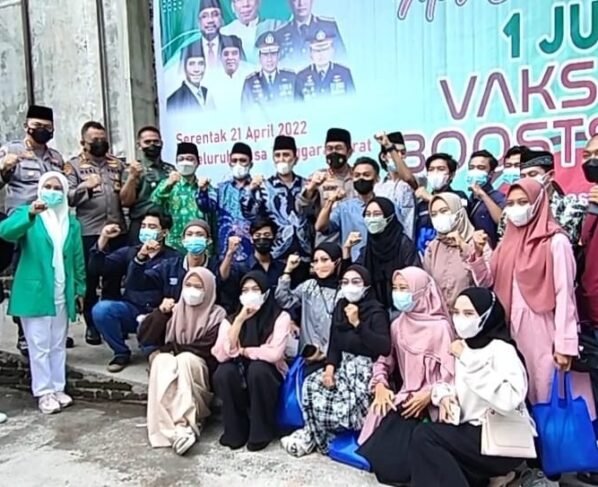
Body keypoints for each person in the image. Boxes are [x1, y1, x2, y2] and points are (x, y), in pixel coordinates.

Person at [469, 178, 596, 477]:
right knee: (519, 397)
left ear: (539, 204)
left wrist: (564, 345)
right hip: (511, 332)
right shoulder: (508, 241)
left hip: (543, 332)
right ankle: (530, 467)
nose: (515, 209)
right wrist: (476, 254)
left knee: (547, 398)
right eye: (511, 203)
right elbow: (488, 281)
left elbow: (565, 295)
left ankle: (556, 468)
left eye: (522, 202)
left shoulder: (556, 241)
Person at [409, 287, 531, 487]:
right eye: (456, 312)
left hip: (501, 438)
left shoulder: (502, 350)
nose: (460, 319)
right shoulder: (463, 346)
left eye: (468, 313)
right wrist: (444, 396)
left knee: (425, 436)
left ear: (486, 316)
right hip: (471, 432)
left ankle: (495, 474)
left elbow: (509, 399)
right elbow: (452, 384)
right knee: (431, 459)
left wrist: (468, 360)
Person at [357, 267, 455, 486]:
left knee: (405, 463)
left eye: (405, 288)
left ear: (421, 291)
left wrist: (429, 395)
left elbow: (451, 375)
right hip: (406, 397)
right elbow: (383, 361)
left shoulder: (440, 329)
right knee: (382, 461)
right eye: (396, 288)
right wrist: (380, 385)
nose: (398, 294)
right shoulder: (398, 325)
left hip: (434, 402)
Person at [281, 265, 391, 456]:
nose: (350, 287)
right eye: (345, 282)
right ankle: (316, 437)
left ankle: (313, 437)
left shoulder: (376, 312)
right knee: (311, 384)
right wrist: (329, 370)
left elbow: (383, 347)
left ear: (366, 285)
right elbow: (335, 342)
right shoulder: (341, 306)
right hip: (343, 366)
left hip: (365, 370)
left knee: (344, 410)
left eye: (356, 282)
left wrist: (358, 323)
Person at [0, 172, 85, 414]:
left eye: (57, 188)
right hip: (35, 292)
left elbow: (77, 258)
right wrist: (29, 214)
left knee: (58, 344)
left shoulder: (72, 223)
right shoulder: (29, 215)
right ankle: (44, 392)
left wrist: (80, 288)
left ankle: (58, 388)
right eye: (47, 186)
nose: (52, 191)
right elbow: (5, 232)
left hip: (61, 291)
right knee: (39, 346)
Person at [140, 267, 226, 456]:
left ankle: (186, 425)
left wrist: (172, 348)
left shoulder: (217, 315)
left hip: (200, 370)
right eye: (188, 285)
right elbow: (145, 337)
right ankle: (175, 431)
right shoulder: (174, 310)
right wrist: (160, 313)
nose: (192, 290)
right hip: (174, 361)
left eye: (198, 287)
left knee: (185, 360)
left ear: (209, 289)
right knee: (161, 361)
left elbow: (206, 348)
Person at [0, 105, 65, 355]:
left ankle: (49, 327)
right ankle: (23, 333)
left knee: (50, 274)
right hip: (22, 222)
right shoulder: (11, 150)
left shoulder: (56, 158)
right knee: (24, 278)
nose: (42, 130)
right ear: (26, 126)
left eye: (47, 127)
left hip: (49, 224)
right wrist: (4, 169)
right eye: (37, 126)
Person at [89, 212, 180, 373]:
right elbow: (98, 268)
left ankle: (158, 351)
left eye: (152, 227)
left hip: (160, 315)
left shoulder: (174, 258)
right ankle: (121, 352)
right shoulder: (130, 252)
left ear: (164, 232)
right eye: (143, 226)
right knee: (102, 310)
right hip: (133, 309)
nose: (146, 230)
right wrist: (104, 238)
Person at [212, 271, 291, 451]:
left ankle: (261, 432)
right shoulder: (230, 320)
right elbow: (222, 355)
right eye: (245, 290)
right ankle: (235, 432)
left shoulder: (280, 317)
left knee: (258, 369)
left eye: (255, 289)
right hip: (239, 371)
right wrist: (239, 321)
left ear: (265, 292)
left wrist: (245, 351)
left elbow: (274, 354)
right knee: (224, 373)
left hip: (268, 374)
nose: (250, 294)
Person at [67, 120, 127, 345]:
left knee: (114, 278)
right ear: (83, 142)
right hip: (89, 231)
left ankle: (111, 322)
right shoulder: (73, 166)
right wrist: (85, 186)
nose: (100, 142)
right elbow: (67, 197)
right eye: (95, 140)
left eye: (103, 139)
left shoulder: (117, 164)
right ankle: (91, 324)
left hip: (117, 229)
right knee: (90, 280)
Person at [241, 135, 311, 275]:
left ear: (295, 159)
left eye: (286, 155)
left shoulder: (306, 186)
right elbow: (250, 214)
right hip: (277, 256)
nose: (282, 159)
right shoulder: (265, 187)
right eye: (277, 155)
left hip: (305, 254)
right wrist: (250, 190)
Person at [125, 219, 228, 309]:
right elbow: (136, 283)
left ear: (208, 241)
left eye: (199, 235)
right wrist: (141, 257)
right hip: (173, 318)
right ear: (183, 241)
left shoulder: (215, 267)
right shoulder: (169, 267)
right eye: (189, 234)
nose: (194, 238)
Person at [497, 148, 587, 245]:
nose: (527, 180)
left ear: (550, 175)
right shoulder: (511, 211)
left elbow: (568, 244)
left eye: (532, 174)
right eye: (523, 176)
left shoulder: (571, 208)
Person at [346, 196, 420, 311]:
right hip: (374, 309)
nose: (371, 219)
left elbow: (415, 276)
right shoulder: (368, 247)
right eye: (368, 214)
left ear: (389, 216)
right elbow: (355, 274)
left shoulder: (403, 244)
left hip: (401, 308)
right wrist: (347, 249)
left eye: (377, 214)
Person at [275, 244, 342, 366]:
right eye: (316, 261)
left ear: (336, 261)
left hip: (335, 358)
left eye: (325, 260)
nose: (320, 265)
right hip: (308, 356)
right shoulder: (309, 286)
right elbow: (284, 300)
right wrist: (287, 271)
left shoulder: (344, 290)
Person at [424, 193, 491, 305]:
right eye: (434, 214)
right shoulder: (433, 247)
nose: (439, 217)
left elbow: (486, 283)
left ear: (458, 213)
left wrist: (465, 248)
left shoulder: (478, 242)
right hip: (442, 313)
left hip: (469, 311)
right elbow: (429, 287)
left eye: (444, 211)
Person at [196, 142, 254, 262]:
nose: (238, 164)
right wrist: (202, 191)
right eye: (234, 160)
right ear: (229, 163)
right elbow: (206, 207)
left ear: (251, 164)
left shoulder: (259, 188)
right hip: (225, 252)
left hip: (252, 251)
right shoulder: (221, 189)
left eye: (243, 160)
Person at [297, 127, 355, 245]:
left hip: (355, 240)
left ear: (349, 152)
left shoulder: (358, 175)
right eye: (329, 149)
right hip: (327, 243)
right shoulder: (317, 178)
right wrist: (311, 189)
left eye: (338, 148)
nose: (333, 152)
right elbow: (301, 210)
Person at [315, 157, 380, 260]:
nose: (361, 179)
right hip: (353, 262)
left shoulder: (385, 205)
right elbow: (320, 227)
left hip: (380, 261)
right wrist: (330, 201)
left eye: (366, 175)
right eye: (357, 175)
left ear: (377, 179)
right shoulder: (344, 207)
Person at [120, 126, 175, 244]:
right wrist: (132, 177)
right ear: (139, 145)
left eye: (156, 141)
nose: (152, 145)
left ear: (161, 143)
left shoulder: (170, 169)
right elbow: (125, 202)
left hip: (166, 224)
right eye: (147, 142)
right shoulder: (133, 169)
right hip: (142, 224)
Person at [151, 142, 208, 252]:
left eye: (190, 159)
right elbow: (155, 202)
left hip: (199, 245)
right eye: (181, 159)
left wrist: (203, 191)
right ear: (176, 163)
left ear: (198, 163)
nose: (185, 163)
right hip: (174, 244)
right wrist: (168, 185)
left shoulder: (204, 186)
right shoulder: (167, 184)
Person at [411, 153, 468, 254]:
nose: (435, 173)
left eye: (441, 169)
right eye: (431, 169)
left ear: (451, 174)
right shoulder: (421, 204)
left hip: (450, 252)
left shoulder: (459, 197)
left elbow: (461, 221)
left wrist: (430, 198)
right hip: (423, 255)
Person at [275, 0, 346, 71]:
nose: (301, 3)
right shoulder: (279, 34)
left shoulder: (329, 28)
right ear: (289, 2)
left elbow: (343, 61)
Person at [374, 131, 416, 240]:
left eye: (403, 152)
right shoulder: (377, 188)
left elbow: (408, 178)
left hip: (408, 243)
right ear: (383, 157)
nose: (399, 156)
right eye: (395, 152)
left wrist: (390, 147)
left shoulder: (417, 180)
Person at [294, 29, 355, 101]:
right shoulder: (301, 77)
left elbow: (353, 102)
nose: (321, 54)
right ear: (311, 54)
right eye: (317, 50)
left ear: (332, 51)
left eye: (325, 50)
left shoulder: (345, 73)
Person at [241, 31, 296, 108]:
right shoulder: (250, 83)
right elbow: (245, 112)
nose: (269, 59)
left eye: (273, 54)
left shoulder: (291, 78)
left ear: (278, 56)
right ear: (259, 57)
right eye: (265, 54)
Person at [465, 150, 506, 247]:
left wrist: (482, 194)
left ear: (491, 173)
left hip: (492, 250)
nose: (475, 171)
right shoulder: (467, 200)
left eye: (481, 168)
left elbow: (502, 221)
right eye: (471, 168)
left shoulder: (498, 197)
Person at [204, 36, 253, 111]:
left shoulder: (251, 76)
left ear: (240, 56)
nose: (230, 57)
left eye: (234, 53)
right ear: (220, 57)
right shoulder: (212, 81)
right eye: (226, 54)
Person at [197, 0, 245, 74]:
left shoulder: (234, 43)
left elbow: (244, 71)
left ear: (222, 19)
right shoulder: (189, 50)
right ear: (198, 22)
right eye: (204, 16)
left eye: (215, 15)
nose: (210, 20)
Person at [167, 41, 215, 112]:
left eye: (201, 63)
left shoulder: (206, 93)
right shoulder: (174, 101)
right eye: (191, 64)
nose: (196, 69)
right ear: (184, 67)